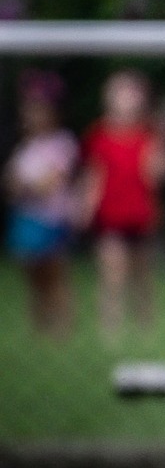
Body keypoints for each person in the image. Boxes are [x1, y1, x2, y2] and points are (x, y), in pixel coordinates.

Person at [79, 69, 165, 338]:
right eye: (119, 92)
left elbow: (156, 175)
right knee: (111, 277)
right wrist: (85, 207)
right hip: (110, 216)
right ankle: (111, 332)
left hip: (140, 215)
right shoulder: (99, 135)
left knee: (142, 278)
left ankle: (145, 330)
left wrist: (160, 145)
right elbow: (94, 175)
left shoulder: (148, 136)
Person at [5, 71, 78, 338]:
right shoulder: (25, 147)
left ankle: (62, 329)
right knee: (33, 277)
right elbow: (11, 185)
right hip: (26, 218)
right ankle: (39, 328)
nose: (33, 116)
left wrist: (27, 186)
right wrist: (26, 186)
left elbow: (51, 183)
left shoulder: (62, 144)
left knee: (55, 274)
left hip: (51, 218)